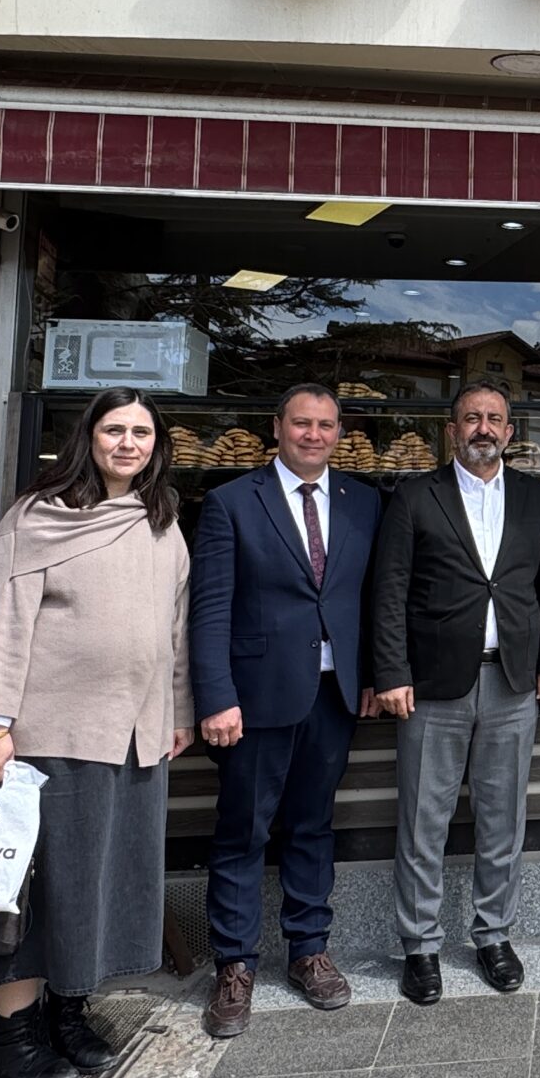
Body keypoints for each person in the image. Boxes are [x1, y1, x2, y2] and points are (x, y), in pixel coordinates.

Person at [0, 388, 194, 1078]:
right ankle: (14, 1034)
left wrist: (177, 711)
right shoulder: (38, 517)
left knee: (98, 886)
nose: (128, 443)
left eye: (142, 433)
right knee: (35, 891)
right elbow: (1, 623)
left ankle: (69, 1010)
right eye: (115, 429)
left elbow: (173, 631)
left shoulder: (161, 522)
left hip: (135, 737)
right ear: (88, 437)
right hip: (49, 734)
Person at [368, 378, 540, 1005]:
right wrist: (391, 672)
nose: (484, 428)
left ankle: (493, 935)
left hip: (512, 681)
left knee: (503, 818)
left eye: (494, 419)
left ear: (510, 431)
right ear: (452, 429)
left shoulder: (536, 497)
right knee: (422, 821)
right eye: (472, 418)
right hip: (432, 685)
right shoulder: (413, 495)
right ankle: (419, 945)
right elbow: (389, 591)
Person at [188, 383, 380, 1037]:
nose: (314, 435)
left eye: (326, 425)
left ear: (339, 433)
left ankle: (308, 951)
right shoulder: (231, 502)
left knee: (312, 825)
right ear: (277, 427)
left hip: (334, 694)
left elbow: (369, 600)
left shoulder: (362, 501)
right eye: (302, 423)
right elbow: (210, 608)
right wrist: (216, 696)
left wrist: (372, 676)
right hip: (255, 696)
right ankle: (234, 965)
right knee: (243, 830)